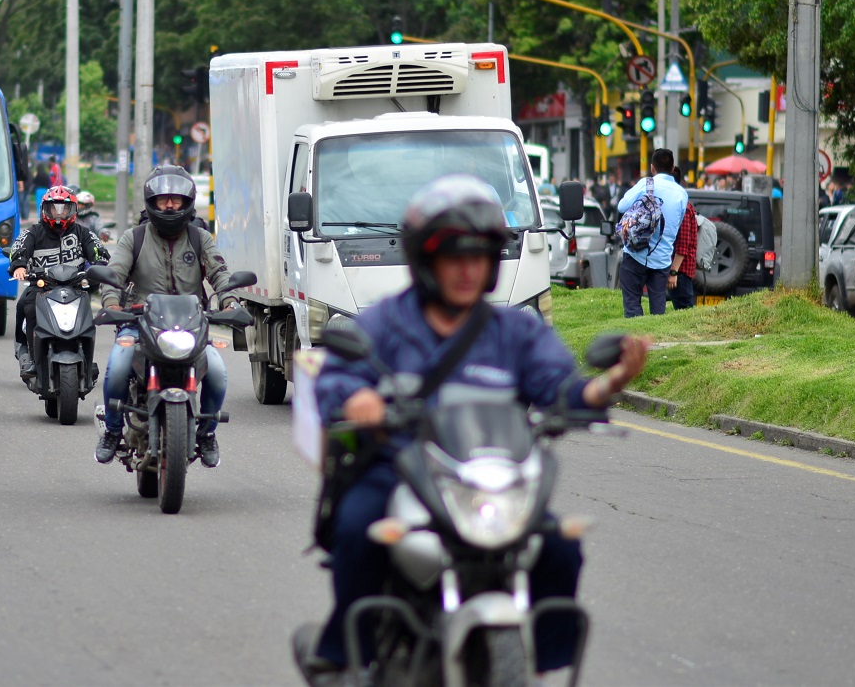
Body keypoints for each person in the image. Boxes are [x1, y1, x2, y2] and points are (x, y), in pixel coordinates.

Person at [298, 176, 649, 683]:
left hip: (485, 476)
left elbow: (559, 388)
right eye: (453, 256)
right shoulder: (386, 323)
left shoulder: (516, 331)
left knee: (559, 546)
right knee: (358, 529)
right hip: (400, 468)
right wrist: (360, 398)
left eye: (479, 256)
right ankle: (347, 653)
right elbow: (337, 378)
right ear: (426, 261)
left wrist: (609, 384)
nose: (467, 269)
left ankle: (544, 663)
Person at [94, 166, 239, 468]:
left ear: (187, 202)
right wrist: (112, 302)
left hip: (190, 326)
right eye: (163, 200)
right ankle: (112, 429)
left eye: (176, 199)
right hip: (139, 322)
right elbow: (113, 275)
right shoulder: (133, 238)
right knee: (118, 367)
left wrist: (230, 301)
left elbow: (220, 274)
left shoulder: (200, 239)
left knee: (218, 373)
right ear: (152, 202)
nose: (170, 205)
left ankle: (208, 432)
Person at [6, 186, 109, 376]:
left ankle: (87, 359)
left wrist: (100, 264)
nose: (59, 213)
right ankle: (29, 354)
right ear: (45, 209)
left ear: (74, 210)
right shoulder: (34, 232)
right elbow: (18, 248)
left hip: (76, 286)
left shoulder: (82, 232)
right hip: (42, 286)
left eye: (65, 208)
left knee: (90, 312)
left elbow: (99, 250)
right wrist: (19, 265)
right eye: (54, 208)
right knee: (25, 305)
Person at [615, 148, 688, 317]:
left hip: (635, 253)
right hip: (662, 259)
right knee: (658, 307)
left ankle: (635, 339)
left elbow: (621, 206)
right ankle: (657, 340)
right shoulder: (682, 194)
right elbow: (677, 223)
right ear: (672, 168)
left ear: (652, 168)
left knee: (632, 303)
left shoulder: (646, 184)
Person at [669, 169, 699, 311]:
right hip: (679, 270)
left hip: (681, 271)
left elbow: (683, 244)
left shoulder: (684, 207)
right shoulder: (679, 204)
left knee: (684, 311)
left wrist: (673, 272)